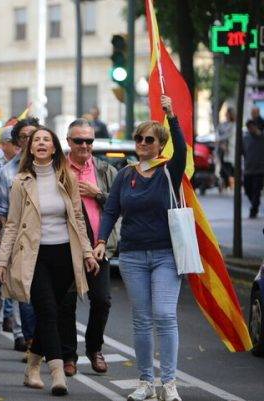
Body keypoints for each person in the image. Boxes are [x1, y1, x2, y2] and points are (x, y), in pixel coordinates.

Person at [93, 95, 186, 401]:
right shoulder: (126, 175)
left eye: (149, 139)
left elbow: (182, 149)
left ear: (160, 144)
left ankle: (168, 383)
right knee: (142, 319)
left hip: (166, 255)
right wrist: (102, 240)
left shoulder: (168, 172)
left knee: (164, 314)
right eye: (138, 139)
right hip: (132, 256)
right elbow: (110, 211)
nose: (143, 143)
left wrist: (171, 115)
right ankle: (146, 382)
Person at [0, 125, 99, 396]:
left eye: (46, 139)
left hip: (65, 255)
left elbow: (77, 219)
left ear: (54, 147)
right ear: (30, 148)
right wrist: (2, 261)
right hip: (34, 255)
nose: (41, 143)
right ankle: (56, 373)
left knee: (50, 312)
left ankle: (31, 368)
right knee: (48, 311)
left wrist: (87, 253)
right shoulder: (20, 181)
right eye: (36, 140)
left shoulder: (67, 178)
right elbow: (12, 224)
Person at [58, 119, 119, 376]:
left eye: (89, 141)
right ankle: (68, 355)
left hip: (98, 247)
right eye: (79, 140)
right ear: (69, 142)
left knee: (102, 301)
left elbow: (120, 207)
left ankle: (94, 348)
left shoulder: (106, 171)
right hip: (65, 247)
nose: (85, 145)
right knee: (66, 303)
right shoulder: (57, 170)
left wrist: (98, 194)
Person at [0, 117, 38, 354]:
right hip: (20, 243)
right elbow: (0, 211)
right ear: (18, 142)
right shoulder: (8, 173)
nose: (31, 141)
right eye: (24, 137)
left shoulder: (55, 168)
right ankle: (28, 340)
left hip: (51, 242)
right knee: (26, 296)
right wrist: (5, 246)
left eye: (35, 135)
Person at [244, 107, 264, 219]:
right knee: (247, 188)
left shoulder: (261, 132)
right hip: (248, 167)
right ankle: (255, 204)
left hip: (259, 167)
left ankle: (254, 209)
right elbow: (242, 151)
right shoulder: (246, 137)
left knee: (256, 190)